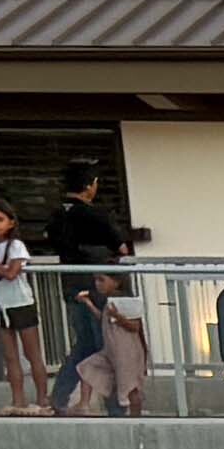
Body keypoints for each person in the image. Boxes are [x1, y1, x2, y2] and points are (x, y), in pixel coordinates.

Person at [45, 156, 134, 406]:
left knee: (84, 345)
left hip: (72, 287)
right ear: (89, 185)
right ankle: (116, 404)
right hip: (100, 288)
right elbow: (122, 248)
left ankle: (59, 398)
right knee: (109, 344)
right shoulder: (94, 215)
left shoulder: (56, 217)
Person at [73, 225, 160, 415]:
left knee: (130, 387)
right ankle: (83, 404)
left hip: (127, 353)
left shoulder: (126, 300)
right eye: (96, 280)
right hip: (110, 351)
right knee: (87, 367)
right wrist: (88, 303)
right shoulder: (108, 302)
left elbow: (134, 326)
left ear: (116, 281)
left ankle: (136, 415)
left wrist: (118, 317)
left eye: (102, 280)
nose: (98, 284)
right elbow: (103, 320)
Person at [0, 199, 49, 411]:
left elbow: (11, 273)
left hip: (21, 303)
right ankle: (18, 399)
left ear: (11, 223)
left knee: (32, 353)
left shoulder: (16, 246)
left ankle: (43, 397)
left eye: (0, 219)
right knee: (10, 357)